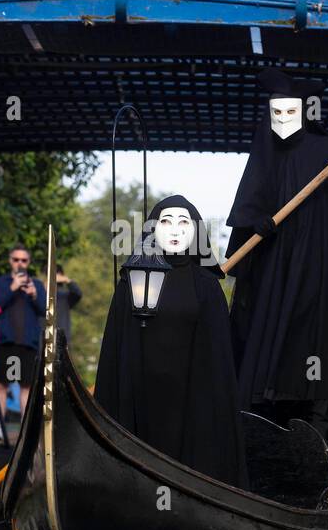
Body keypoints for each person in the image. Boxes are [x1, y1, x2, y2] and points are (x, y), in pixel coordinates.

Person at [225, 70, 328, 447]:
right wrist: (254, 225)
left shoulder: (326, 151)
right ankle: (256, 422)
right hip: (270, 266)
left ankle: (312, 428)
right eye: (274, 112)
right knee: (263, 333)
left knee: (307, 338)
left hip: (315, 267)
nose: (280, 120)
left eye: (288, 112)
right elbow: (249, 205)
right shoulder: (264, 149)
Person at [95, 196, 248, 488]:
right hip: (142, 401)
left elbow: (219, 361)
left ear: (195, 231)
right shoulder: (132, 281)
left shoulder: (207, 286)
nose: (175, 231)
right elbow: (118, 350)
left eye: (183, 223)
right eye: (166, 222)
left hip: (193, 403)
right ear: (153, 229)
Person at [0, 244, 46, 429]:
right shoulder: (1, 283)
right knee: (1, 385)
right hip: (7, 342)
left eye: (23, 260)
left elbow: (45, 310)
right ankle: (0, 428)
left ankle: (24, 429)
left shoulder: (36, 284)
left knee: (27, 387)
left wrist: (35, 294)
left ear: (28, 262)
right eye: (16, 259)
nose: (20, 263)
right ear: (10, 261)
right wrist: (12, 287)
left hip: (28, 344)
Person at [55, 265, 82, 344]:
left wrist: (67, 280)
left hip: (61, 338)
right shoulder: (41, 293)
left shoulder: (65, 296)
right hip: (43, 337)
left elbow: (77, 294)